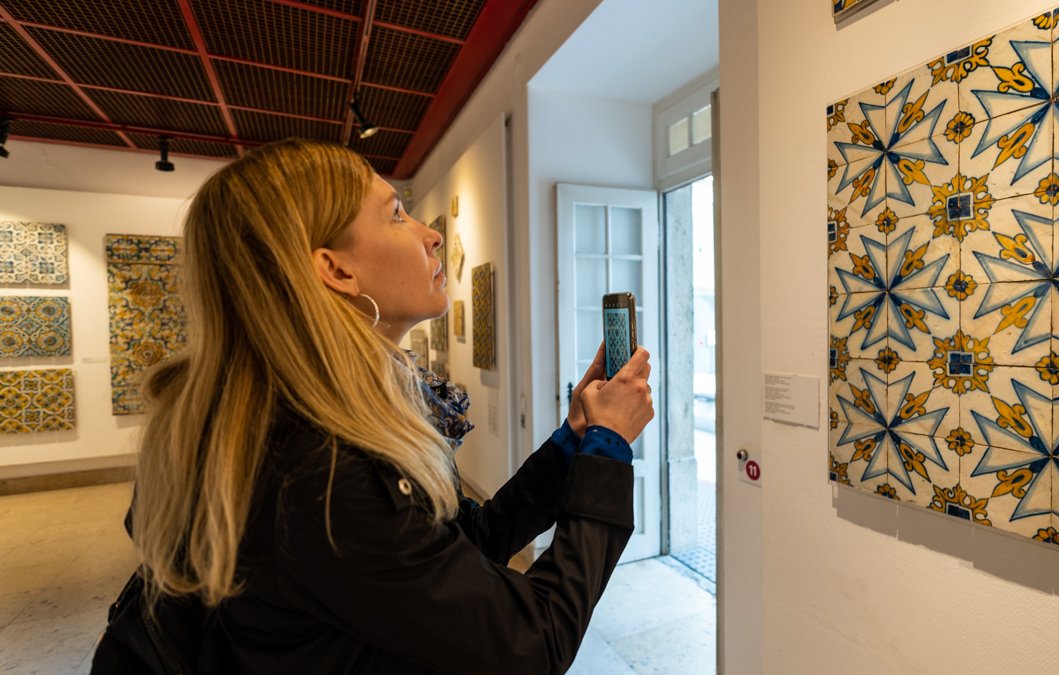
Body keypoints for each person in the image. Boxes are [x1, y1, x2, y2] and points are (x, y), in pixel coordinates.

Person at [92, 139, 654, 674]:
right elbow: (531, 643)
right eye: (396, 214)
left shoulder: (310, 425)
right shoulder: (317, 470)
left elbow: (459, 548)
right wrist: (607, 451)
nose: (431, 235)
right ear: (335, 269)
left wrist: (573, 443)